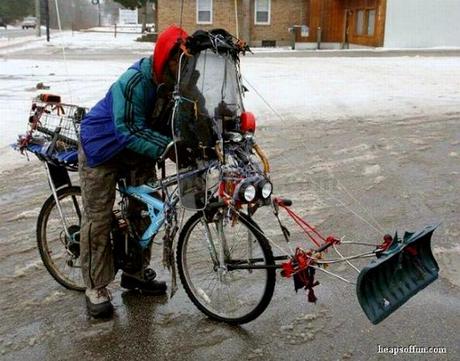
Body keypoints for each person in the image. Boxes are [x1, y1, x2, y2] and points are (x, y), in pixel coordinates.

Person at [78, 25, 188, 319]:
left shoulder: (175, 86)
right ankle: (96, 286)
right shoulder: (135, 81)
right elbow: (128, 129)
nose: (183, 67)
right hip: (101, 149)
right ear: (165, 58)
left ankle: (136, 273)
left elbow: (180, 120)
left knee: (149, 207)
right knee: (98, 219)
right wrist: (168, 147)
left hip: (137, 151)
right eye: (179, 61)